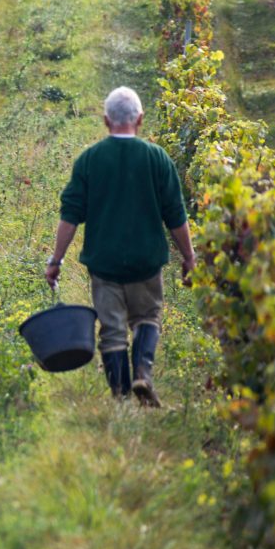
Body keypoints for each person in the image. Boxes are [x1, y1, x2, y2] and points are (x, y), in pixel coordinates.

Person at [44, 86, 195, 407]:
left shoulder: (90, 160)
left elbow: (70, 215)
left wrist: (55, 260)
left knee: (112, 331)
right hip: (146, 261)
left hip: (105, 264)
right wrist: (189, 257)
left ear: (105, 121)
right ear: (140, 119)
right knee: (147, 318)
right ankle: (142, 372)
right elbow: (176, 215)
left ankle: (122, 399)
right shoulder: (157, 158)